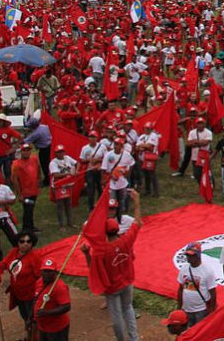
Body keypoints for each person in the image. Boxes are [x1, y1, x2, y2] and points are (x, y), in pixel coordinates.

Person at [82, 188, 143, 341]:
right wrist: (136, 202)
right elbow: (138, 223)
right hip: (128, 281)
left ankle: (121, 339)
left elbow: (93, 268)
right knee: (128, 308)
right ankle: (134, 338)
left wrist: (85, 254)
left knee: (116, 316)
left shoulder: (100, 251)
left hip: (112, 287)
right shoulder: (126, 240)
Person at [2, 230, 41, 336]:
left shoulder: (34, 256)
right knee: (24, 316)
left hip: (30, 294)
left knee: (32, 319)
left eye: (28, 241)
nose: (25, 244)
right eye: (22, 241)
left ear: (32, 243)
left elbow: (39, 276)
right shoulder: (13, 252)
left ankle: (33, 337)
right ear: (17, 242)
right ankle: (30, 334)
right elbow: (3, 264)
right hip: (18, 293)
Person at [176, 241, 217, 326]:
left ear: (198, 255)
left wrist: (212, 310)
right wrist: (179, 308)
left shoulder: (207, 271)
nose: (188, 258)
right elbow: (180, 289)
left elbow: (212, 292)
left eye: (191, 255)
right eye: (187, 255)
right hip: (186, 309)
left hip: (201, 310)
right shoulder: (184, 269)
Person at [34, 258, 72, 341]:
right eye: (45, 271)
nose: (47, 274)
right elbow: (36, 299)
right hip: (43, 327)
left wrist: (47, 313)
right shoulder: (39, 282)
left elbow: (66, 306)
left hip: (57, 328)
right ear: (41, 271)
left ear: (55, 272)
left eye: (50, 271)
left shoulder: (60, 287)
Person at [12, 143, 43, 233]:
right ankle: (26, 228)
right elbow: (15, 180)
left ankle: (30, 226)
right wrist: (19, 194)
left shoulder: (34, 159)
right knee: (27, 210)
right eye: (24, 150)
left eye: (28, 150)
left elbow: (38, 170)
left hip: (33, 190)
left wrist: (39, 181)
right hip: (25, 192)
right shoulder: (16, 164)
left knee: (31, 208)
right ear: (21, 152)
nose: (26, 152)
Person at [49, 145, 78, 229]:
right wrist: (68, 173)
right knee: (60, 205)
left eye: (62, 151)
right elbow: (55, 174)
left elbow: (76, 163)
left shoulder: (67, 158)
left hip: (68, 184)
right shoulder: (53, 163)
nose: (61, 153)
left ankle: (70, 223)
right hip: (58, 185)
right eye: (59, 152)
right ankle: (61, 225)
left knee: (69, 204)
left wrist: (76, 170)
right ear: (56, 153)